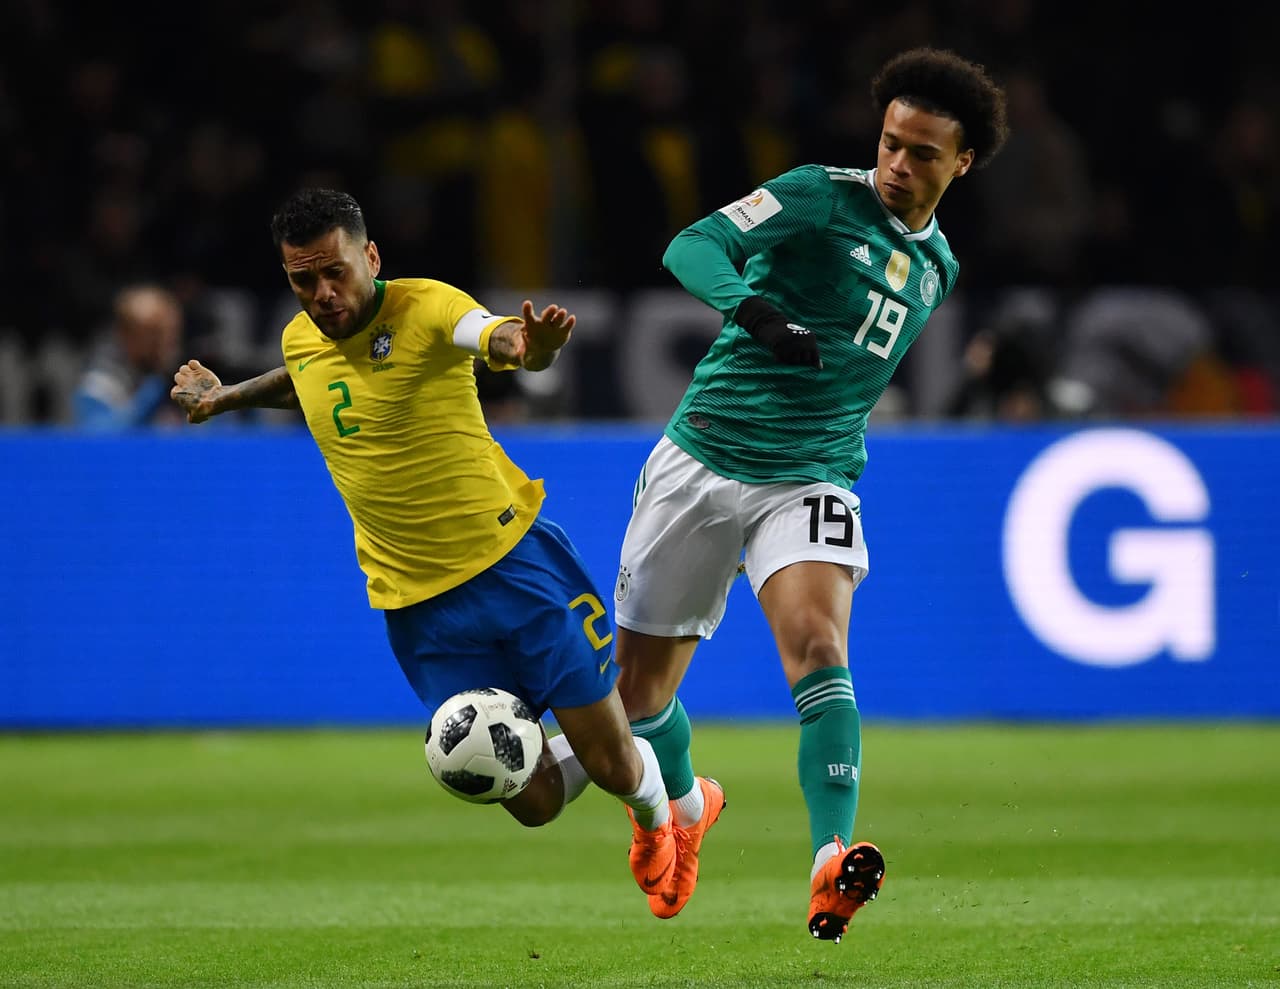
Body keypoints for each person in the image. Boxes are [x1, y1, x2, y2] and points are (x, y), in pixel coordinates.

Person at [169, 187, 678, 905]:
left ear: (370, 254)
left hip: (514, 568)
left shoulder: (427, 305)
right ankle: (627, 718)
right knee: (527, 798)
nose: (322, 293)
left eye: (335, 272)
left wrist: (527, 348)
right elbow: (309, 379)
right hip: (418, 609)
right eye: (302, 281)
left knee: (613, 762)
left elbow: (490, 335)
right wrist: (227, 397)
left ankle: (661, 820)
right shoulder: (300, 337)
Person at [612, 47, 1009, 941]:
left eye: (921, 154)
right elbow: (693, 243)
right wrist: (757, 314)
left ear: (963, 162)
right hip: (702, 459)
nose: (897, 165)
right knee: (635, 702)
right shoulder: (818, 194)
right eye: (890, 142)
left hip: (809, 476)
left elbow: (849, 384)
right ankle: (682, 802)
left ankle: (831, 860)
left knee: (819, 647)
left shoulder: (939, 265)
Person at [74, 283, 185, 430]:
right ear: (125, 334)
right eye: (154, 334)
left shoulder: (181, 381)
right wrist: (150, 393)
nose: (165, 344)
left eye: (170, 333)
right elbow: (100, 438)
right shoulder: (99, 386)